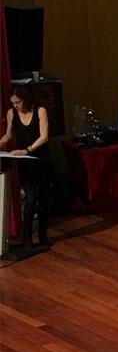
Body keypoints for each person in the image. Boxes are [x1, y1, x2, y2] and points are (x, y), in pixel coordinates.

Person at [0, 86, 51, 249]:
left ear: (26, 99)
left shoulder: (40, 111)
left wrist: (27, 149)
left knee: (43, 200)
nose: (16, 105)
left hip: (41, 159)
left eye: (18, 102)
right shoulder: (11, 113)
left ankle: (43, 237)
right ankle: (27, 238)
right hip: (26, 162)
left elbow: (44, 137)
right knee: (30, 199)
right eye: (13, 103)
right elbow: (8, 135)